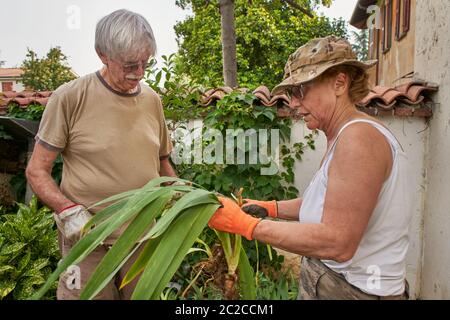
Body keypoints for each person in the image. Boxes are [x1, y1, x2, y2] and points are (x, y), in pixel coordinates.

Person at [208, 36, 412, 300]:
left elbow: (337, 241)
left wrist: (247, 225)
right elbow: (332, 205)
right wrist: (272, 208)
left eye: (301, 91)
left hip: (353, 291)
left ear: (339, 83)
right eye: (292, 93)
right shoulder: (347, 134)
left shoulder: (357, 140)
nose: (293, 103)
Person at [26, 9, 176, 300]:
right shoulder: (70, 97)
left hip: (142, 241)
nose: (140, 73)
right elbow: (37, 170)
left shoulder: (152, 100)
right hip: (88, 242)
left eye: (146, 62)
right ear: (102, 54)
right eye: (130, 64)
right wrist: (67, 210)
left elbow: (162, 163)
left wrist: (185, 196)